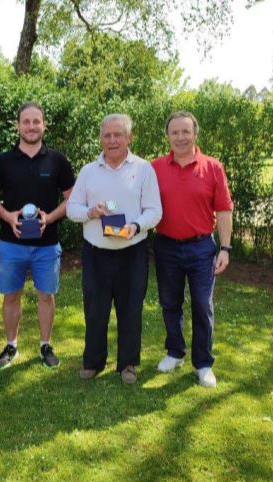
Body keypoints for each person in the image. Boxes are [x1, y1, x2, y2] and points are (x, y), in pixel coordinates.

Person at [66, 113, 162, 384]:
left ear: (129, 137)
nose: (112, 140)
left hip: (132, 251)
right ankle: (93, 362)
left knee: (131, 308)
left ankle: (128, 363)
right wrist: (89, 211)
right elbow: (72, 209)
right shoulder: (88, 171)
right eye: (107, 135)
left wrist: (137, 225)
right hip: (96, 252)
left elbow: (155, 210)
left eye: (118, 134)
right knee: (95, 309)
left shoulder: (144, 169)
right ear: (100, 139)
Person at [0, 102, 75, 369]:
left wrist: (49, 217)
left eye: (37, 121)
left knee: (45, 296)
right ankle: (11, 346)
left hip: (47, 245)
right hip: (11, 244)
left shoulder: (58, 160)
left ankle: (45, 345)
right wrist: (8, 216)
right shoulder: (2, 161)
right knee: (11, 296)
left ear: (44, 125)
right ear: (17, 126)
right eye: (26, 121)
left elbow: (70, 200)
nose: (32, 126)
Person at [151, 111, 234, 388]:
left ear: (195, 134)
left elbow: (223, 210)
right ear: (168, 136)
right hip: (165, 246)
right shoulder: (155, 168)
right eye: (175, 132)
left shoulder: (213, 167)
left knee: (202, 304)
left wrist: (225, 248)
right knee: (170, 302)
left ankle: (203, 363)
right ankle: (175, 352)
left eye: (186, 132)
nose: (180, 137)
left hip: (201, 248)